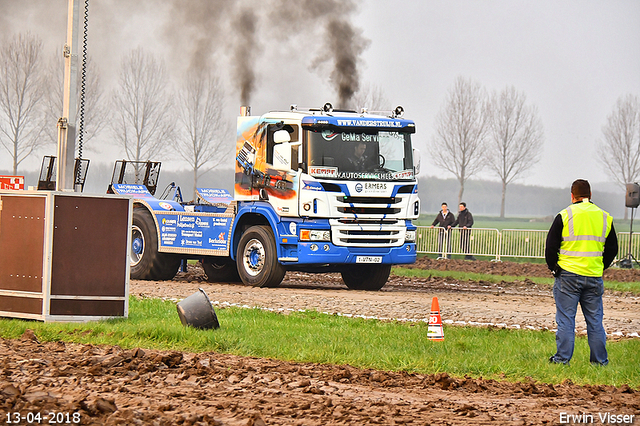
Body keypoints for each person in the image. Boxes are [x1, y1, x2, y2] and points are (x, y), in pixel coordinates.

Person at [545, 179, 618, 366]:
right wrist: (600, 267)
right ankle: (600, 362)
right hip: (593, 276)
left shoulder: (564, 215)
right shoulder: (605, 217)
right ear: (590, 195)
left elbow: (551, 247)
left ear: (572, 195)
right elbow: (612, 248)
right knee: (595, 321)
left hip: (568, 275)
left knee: (566, 320)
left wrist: (555, 268)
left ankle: (562, 360)